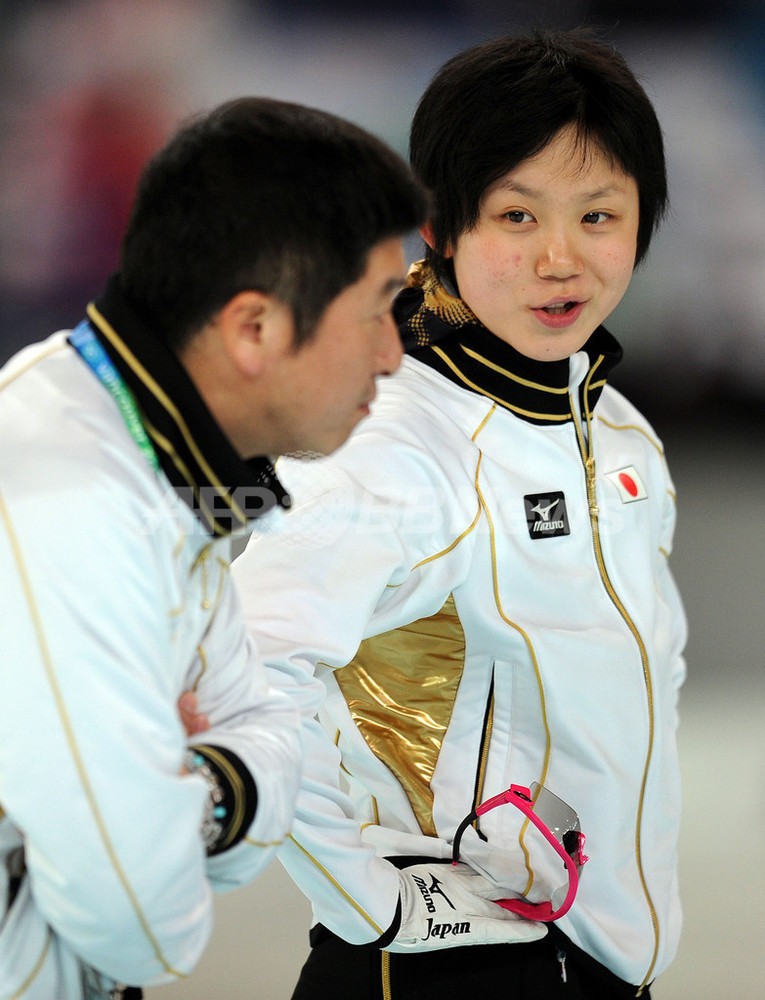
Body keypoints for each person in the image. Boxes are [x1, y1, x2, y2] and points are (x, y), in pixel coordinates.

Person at [232, 31, 687, 1000]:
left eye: (598, 214)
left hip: (600, 959)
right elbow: (239, 664)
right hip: (452, 971)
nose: (560, 257)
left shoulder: (615, 430)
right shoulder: (391, 437)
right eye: (516, 215)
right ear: (439, 228)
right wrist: (373, 899)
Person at [0, 96, 429, 999]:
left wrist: (201, 782)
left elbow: (263, 726)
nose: (395, 354)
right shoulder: (68, 492)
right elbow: (140, 925)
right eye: (380, 310)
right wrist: (209, 789)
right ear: (253, 329)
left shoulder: (153, 452)